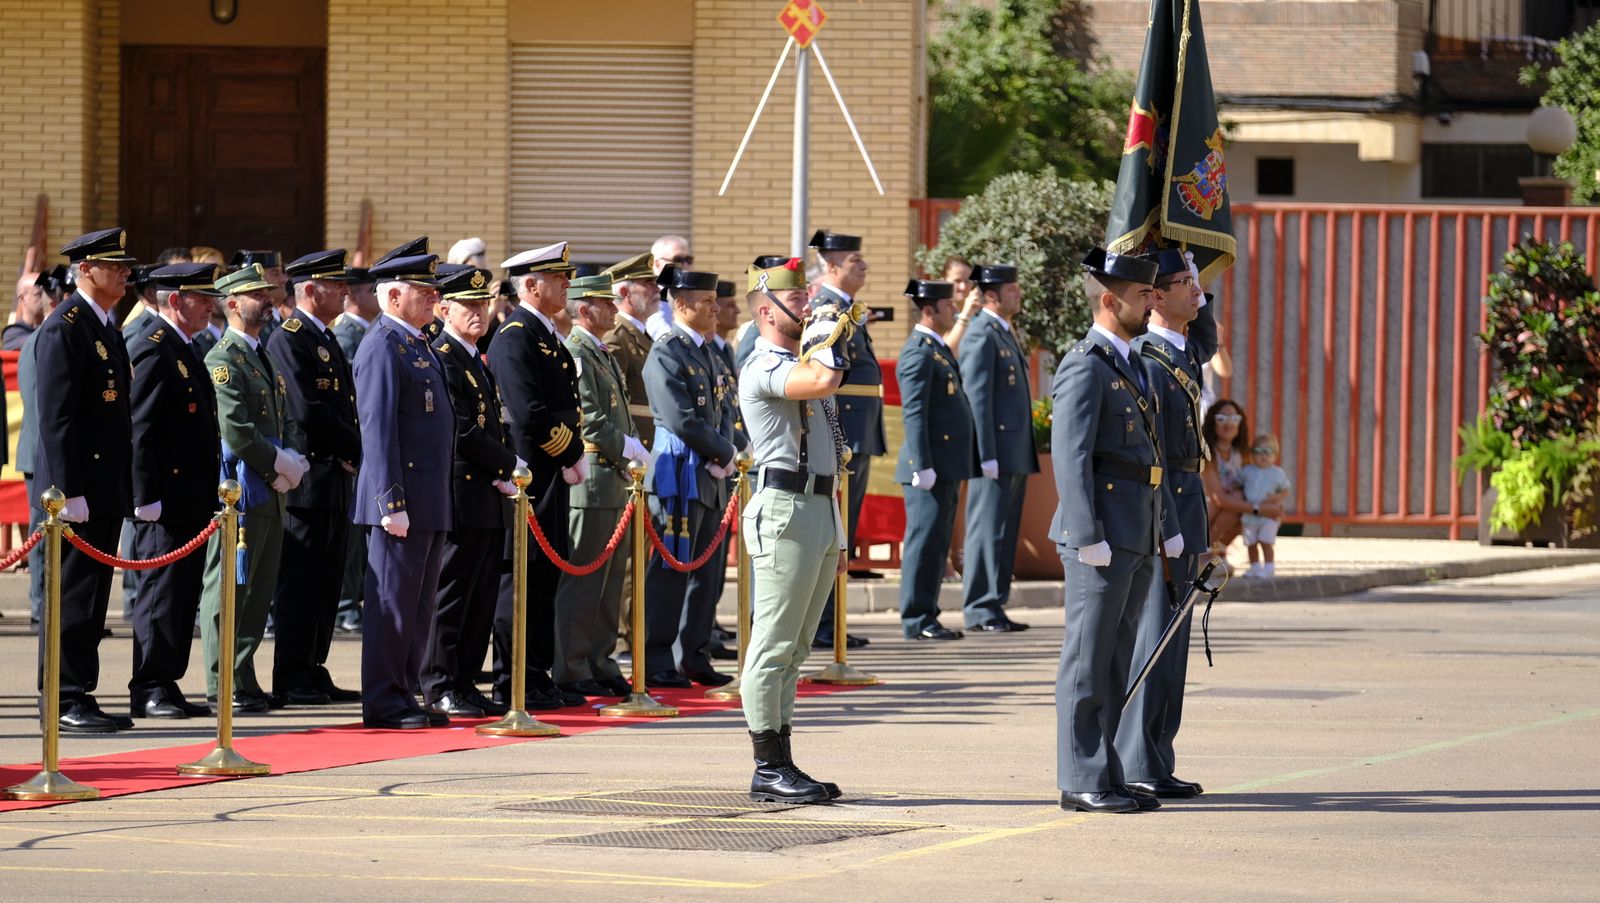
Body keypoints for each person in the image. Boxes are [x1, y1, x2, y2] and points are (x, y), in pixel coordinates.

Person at [1049, 248, 1180, 814]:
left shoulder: (1130, 363)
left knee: (1117, 661)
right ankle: (1081, 778)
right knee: (1087, 660)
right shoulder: (1084, 364)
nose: (1152, 300)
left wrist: (1168, 524)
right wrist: (1086, 533)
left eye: (1155, 292)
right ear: (1110, 300)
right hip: (1101, 534)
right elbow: (1070, 458)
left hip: (1137, 529)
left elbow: (1152, 454)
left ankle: (1107, 772)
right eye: (1142, 294)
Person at [737, 255, 848, 803]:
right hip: (784, 509)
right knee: (773, 645)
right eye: (796, 298)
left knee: (798, 646)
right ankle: (766, 765)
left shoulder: (799, 356)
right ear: (766, 309)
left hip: (818, 509)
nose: (806, 305)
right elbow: (822, 378)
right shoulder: (763, 364)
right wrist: (830, 335)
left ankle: (783, 759)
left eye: (806, 296)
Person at [1116, 249, 1218, 800]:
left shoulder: (1181, 350)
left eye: (1195, 281)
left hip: (1188, 494)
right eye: (1183, 282)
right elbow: (1153, 448)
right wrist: (1170, 522)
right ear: (1154, 297)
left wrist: (1193, 265)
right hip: (1167, 501)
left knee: (1173, 636)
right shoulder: (1151, 358)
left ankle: (1156, 755)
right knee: (1155, 633)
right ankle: (1136, 758)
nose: (1196, 290)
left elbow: (1207, 337)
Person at [32, 228, 138, 733]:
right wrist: (66, 491)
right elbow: (58, 420)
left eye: (124, 266)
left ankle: (81, 692)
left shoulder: (104, 326)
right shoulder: (65, 327)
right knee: (72, 596)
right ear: (85, 270)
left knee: (93, 598)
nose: (124, 272)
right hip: (75, 493)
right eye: (113, 265)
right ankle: (62, 695)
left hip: (102, 487)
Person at [351, 250, 455, 729]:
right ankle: (384, 698)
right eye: (424, 290)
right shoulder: (382, 344)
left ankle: (406, 690)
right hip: (400, 500)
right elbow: (378, 430)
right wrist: (389, 500)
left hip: (429, 497)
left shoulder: (416, 342)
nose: (435, 297)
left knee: (418, 605)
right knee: (393, 604)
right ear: (393, 295)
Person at [200, 263, 310, 714]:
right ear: (231, 304)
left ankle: (243, 675)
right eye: (256, 294)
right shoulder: (223, 358)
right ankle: (221, 680)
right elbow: (237, 431)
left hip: (268, 488)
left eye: (268, 292)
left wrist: (291, 459)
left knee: (259, 589)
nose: (267, 299)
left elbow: (280, 419)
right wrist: (277, 464)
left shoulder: (261, 354)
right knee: (230, 589)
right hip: (243, 492)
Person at [486, 241, 586, 710]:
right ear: (530, 285)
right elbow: (527, 413)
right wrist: (570, 451)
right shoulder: (515, 335)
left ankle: (538, 674)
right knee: (522, 579)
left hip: (550, 472)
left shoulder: (544, 332)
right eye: (558, 277)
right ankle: (513, 679)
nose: (567, 284)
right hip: (531, 472)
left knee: (545, 576)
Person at [266, 250, 363, 706]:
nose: (345, 290)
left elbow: (343, 407)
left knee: (327, 582)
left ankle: (313, 665)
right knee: (301, 583)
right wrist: (354, 448)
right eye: (335, 283)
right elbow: (306, 410)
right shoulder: (290, 338)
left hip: (334, 477)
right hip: (308, 479)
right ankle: (291, 673)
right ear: (308, 290)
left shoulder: (325, 337)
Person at [420, 264, 516, 719]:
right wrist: (508, 463)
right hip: (461, 493)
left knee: (480, 598)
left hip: (488, 494)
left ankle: (464, 681)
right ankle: (439, 681)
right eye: (468, 305)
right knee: (452, 594)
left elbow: (496, 422)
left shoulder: (475, 357)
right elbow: (461, 430)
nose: (479, 312)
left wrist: (510, 463)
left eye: (483, 303)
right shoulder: (443, 356)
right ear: (444, 309)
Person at [127, 262, 222, 719]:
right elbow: (140, 429)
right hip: (164, 501)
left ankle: (167, 679)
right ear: (174, 301)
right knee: (161, 596)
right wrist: (144, 497)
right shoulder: (154, 348)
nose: (210, 304)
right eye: (201, 297)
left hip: (191, 499)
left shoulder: (186, 346)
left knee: (182, 598)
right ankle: (149, 684)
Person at [642, 264, 738, 689]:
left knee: (708, 571)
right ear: (680, 305)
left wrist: (730, 449)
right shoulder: (667, 351)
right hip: (679, 472)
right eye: (706, 302)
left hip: (711, 473)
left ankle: (694, 653)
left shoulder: (710, 351)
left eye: (715, 301)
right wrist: (723, 451)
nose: (715, 308)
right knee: (672, 569)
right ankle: (658, 656)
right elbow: (680, 418)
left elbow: (725, 408)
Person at [554, 274, 648, 699]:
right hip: (592, 478)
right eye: (604, 303)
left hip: (613, 479)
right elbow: (588, 416)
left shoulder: (600, 352)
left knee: (611, 581)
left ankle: (600, 659)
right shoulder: (576, 350)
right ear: (585, 309)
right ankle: (572, 666)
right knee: (585, 580)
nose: (613, 309)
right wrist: (626, 447)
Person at [808, 229, 880, 649]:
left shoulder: (846, 307)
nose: (864, 266)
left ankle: (832, 622)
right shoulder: (826, 307)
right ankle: (823, 624)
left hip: (858, 432)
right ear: (832, 266)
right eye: (855, 260)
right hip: (843, 433)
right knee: (836, 532)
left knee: (844, 532)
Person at [957, 263, 1038, 632]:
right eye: (1012, 289)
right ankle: (979, 607)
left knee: (1003, 530)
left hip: (1013, 450)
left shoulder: (1004, 331)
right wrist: (983, 453)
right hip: (996, 452)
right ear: (992, 295)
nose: (1018, 294)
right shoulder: (981, 334)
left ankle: (995, 603)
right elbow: (978, 400)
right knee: (986, 528)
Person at [894, 278, 974, 641]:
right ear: (929, 310)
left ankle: (927, 613)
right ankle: (916, 618)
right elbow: (914, 413)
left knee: (936, 541)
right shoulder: (919, 352)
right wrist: (921, 464)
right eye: (948, 306)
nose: (954, 311)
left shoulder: (936, 349)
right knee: (924, 543)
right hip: (928, 466)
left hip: (943, 465)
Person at [332, 265, 378, 633]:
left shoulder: (363, 333)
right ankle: (346, 603)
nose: (376, 297)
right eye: (369, 290)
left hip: (361, 444)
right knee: (350, 537)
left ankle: (351, 600)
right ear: (353, 296)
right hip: (352, 445)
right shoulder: (346, 335)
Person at [17, 272, 65, 626]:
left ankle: (51, 603)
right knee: (41, 533)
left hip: (48, 451)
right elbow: (41, 407)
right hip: (41, 451)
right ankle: (40, 603)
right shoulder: (45, 338)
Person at [1200, 400, 1279, 568]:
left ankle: (1219, 551)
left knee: (1243, 503)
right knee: (1238, 501)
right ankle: (1203, 552)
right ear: (1212, 421)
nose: (1228, 424)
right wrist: (1260, 508)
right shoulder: (1207, 454)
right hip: (1206, 512)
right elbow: (1218, 498)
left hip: (1232, 509)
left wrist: (1273, 503)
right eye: (1222, 418)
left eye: (1234, 419)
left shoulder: (1241, 454)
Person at [599, 252, 657, 448]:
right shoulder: (615, 336)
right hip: (633, 443)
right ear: (625, 293)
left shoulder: (640, 332)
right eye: (648, 283)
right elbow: (610, 404)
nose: (657, 289)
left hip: (648, 440)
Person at [1240, 433, 1292, 579]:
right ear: (1251, 454)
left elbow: (1286, 489)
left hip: (1269, 515)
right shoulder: (1247, 471)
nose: (1263, 455)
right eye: (1258, 451)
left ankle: (1269, 567)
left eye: (1267, 451)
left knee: (1265, 541)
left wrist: (1277, 497)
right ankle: (1255, 567)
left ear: (1275, 455)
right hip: (1250, 515)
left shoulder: (1277, 473)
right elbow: (1238, 484)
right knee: (1251, 543)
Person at [644, 234, 692, 340]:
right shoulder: (648, 294)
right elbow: (662, 335)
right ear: (657, 263)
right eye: (678, 259)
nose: (685, 265)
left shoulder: (684, 294)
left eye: (688, 260)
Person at [939, 256, 985, 351]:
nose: (963, 287)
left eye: (967, 281)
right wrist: (966, 314)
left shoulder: (981, 313)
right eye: (957, 281)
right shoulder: (937, 313)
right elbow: (947, 351)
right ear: (944, 281)